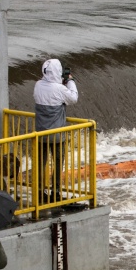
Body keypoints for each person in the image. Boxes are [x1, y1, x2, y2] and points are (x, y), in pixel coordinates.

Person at [33, 58, 78, 203]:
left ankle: (39, 190)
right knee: (58, 163)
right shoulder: (59, 89)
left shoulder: (38, 85)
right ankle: (56, 190)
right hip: (57, 136)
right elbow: (73, 98)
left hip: (41, 134)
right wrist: (70, 81)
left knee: (41, 163)